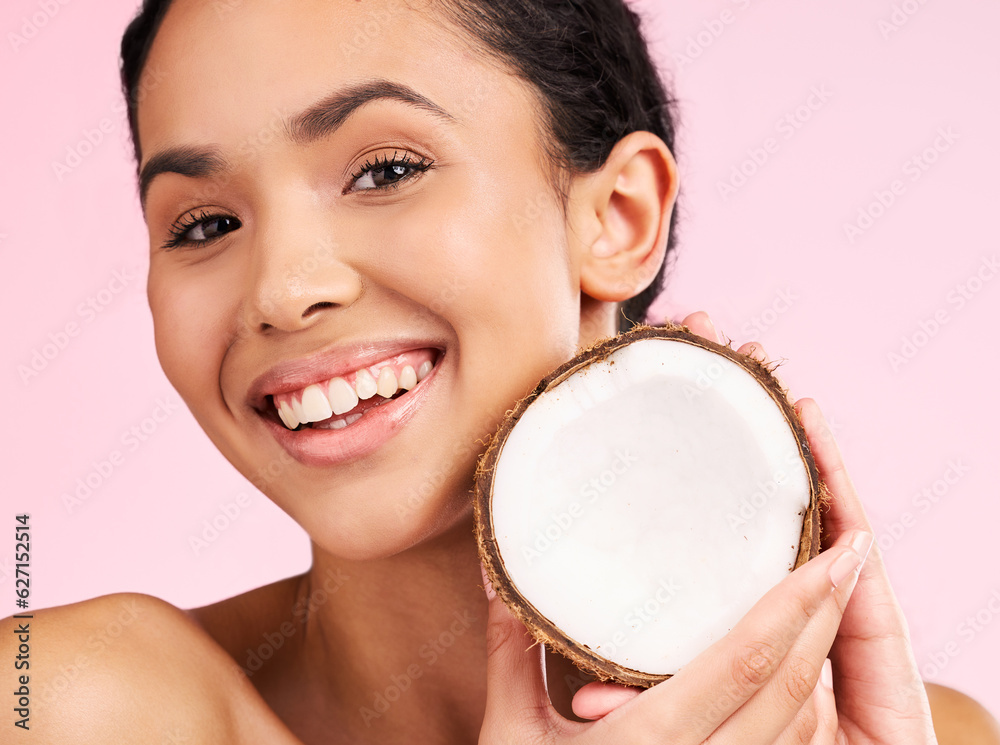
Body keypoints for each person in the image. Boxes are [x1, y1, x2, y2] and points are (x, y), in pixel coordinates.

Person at [4, 0, 998, 742]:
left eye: (385, 170)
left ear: (617, 219)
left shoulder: (922, 733)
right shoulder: (66, 704)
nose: (282, 287)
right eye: (203, 222)